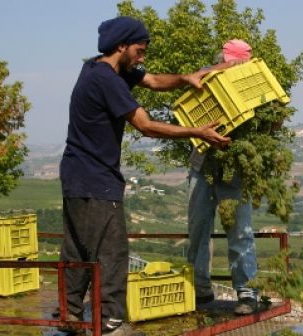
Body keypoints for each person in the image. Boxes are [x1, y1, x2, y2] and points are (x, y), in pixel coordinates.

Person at [58, 16, 230, 336]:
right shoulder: (106, 81)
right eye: (140, 49)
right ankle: (110, 323)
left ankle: (68, 316)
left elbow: (151, 80)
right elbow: (146, 125)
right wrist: (198, 132)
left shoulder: (100, 67)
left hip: (78, 174)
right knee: (112, 251)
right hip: (96, 176)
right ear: (122, 46)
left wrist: (188, 78)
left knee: (79, 247)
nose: (143, 56)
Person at [186, 39, 259, 315]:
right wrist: (224, 69)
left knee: (240, 232)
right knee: (198, 229)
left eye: (239, 63)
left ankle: (247, 293)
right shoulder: (208, 75)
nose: (235, 68)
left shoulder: (255, 85)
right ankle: (200, 290)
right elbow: (196, 84)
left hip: (236, 169)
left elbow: (273, 120)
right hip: (202, 164)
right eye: (230, 62)